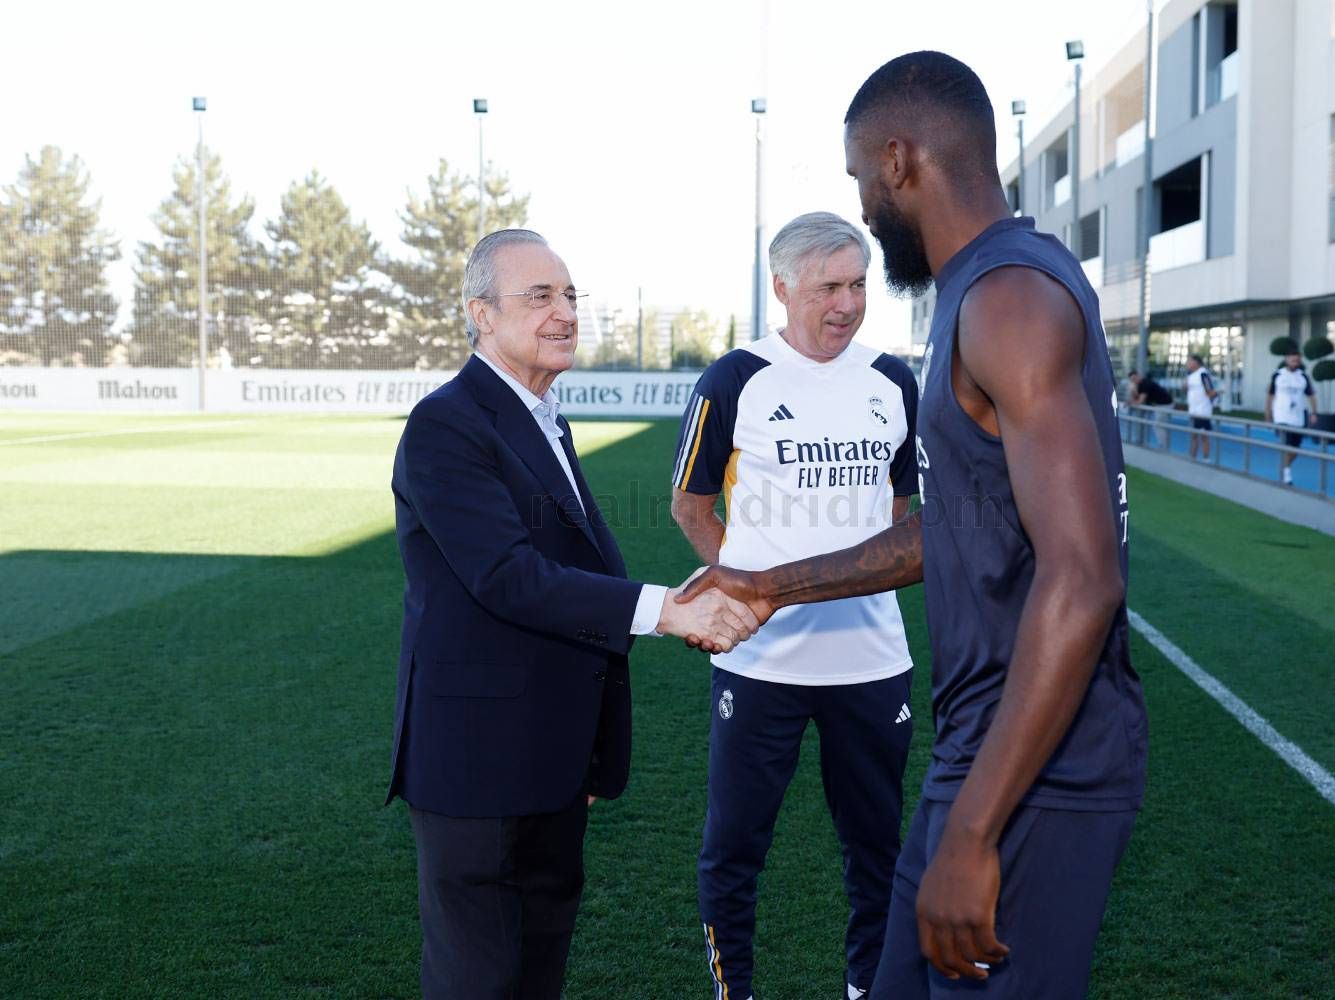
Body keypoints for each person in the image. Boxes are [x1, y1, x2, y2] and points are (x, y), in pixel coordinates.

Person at [682, 51, 1146, 999]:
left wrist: (975, 831)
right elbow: (958, 527)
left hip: (1043, 762)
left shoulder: (1009, 297)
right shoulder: (973, 297)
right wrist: (770, 584)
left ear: (898, 161)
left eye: (860, 180)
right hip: (982, 745)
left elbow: (1084, 577)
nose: (863, 204)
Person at [388, 229, 759, 1000]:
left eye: (569, 296)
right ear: (480, 314)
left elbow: (579, 570)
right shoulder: (446, 425)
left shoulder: (542, 415)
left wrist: (589, 751)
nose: (564, 313)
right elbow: (507, 577)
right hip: (476, 771)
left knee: (536, 975)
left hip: (549, 763)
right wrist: (671, 611)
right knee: (478, 982)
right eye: (539, 297)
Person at [670, 211, 920, 1000]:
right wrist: (742, 595)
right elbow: (689, 505)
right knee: (734, 848)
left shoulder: (894, 378)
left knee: (877, 850)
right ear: (782, 288)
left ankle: (865, 989)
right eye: (826, 288)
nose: (845, 304)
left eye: (856, 285)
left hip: (873, 660)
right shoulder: (736, 378)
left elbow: (906, 515)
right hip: (761, 663)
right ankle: (732, 990)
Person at [1266, 348, 1317, 485]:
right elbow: (1270, 395)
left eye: (1297, 360)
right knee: (1286, 445)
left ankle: (1285, 467)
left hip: (1298, 417)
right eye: (1292, 359)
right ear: (1286, 360)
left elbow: (1311, 395)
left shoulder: (1303, 376)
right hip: (1282, 416)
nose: (1295, 362)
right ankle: (1286, 473)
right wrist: (1268, 413)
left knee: (1295, 449)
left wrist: (1314, 412)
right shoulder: (1278, 375)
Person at [1184, 354, 1219, 460]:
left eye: (1189, 361)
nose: (1187, 364)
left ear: (1195, 362)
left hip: (1202, 411)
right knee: (1193, 435)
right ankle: (1192, 457)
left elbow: (1210, 391)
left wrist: (1218, 393)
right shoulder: (1191, 375)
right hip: (1193, 410)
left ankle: (1205, 458)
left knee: (1203, 436)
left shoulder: (1203, 374)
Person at [1127, 369, 1172, 447]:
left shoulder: (1145, 383)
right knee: (1159, 425)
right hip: (1159, 405)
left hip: (1165, 404)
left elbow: (1140, 401)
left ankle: (1164, 447)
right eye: (1132, 380)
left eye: (1134, 379)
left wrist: (1130, 403)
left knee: (1158, 425)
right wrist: (1133, 389)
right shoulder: (1139, 384)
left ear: (1138, 376)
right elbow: (1136, 398)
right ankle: (1163, 445)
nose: (1134, 381)